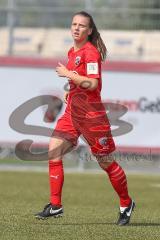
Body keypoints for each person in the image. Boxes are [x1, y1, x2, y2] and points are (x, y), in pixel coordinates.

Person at [35, 11, 135, 226]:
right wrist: (70, 90)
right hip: (72, 113)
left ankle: (126, 203)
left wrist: (69, 75)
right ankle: (55, 206)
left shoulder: (90, 53)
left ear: (89, 31)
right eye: (74, 24)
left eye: (82, 25)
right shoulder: (72, 51)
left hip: (92, 117)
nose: (76, 28)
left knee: (105, 163)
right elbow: (81, 84)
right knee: (54, 151)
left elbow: (93, 84)